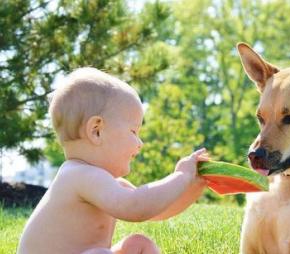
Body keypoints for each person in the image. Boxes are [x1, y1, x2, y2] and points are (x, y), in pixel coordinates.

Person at [17, 67, 209, 254]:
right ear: (97, 131)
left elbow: (155, 210)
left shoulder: (107, 183)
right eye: (133, 131)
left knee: (138, 245)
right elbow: (137, 207)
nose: (140, 143)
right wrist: (181, 175)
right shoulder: (78, 176)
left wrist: (191, 187)